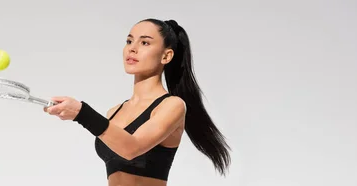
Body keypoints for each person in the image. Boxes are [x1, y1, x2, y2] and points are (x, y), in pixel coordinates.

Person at [44, 18, 231, 186]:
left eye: (145, 42)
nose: (132, 48)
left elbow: (131, 148)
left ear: (166, 56)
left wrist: (81, 113)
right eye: (129, 41)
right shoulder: (114, 112)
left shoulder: (172, 105)